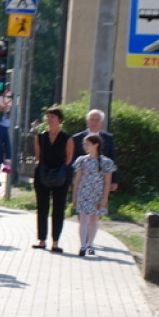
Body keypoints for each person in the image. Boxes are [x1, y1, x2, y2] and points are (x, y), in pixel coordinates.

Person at [32, 107, 74, 253]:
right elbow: (38, 156)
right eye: (48, 117)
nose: (49, 119)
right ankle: (41, 240)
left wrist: (58, 171)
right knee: (42, 207)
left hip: (61, 175)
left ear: (59, 119)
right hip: (42, 174)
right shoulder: (40, 137)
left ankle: (55, 242)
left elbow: (69, 158)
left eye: (53, 117)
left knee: (58, 208)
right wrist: (46, 170)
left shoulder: (67, 138)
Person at [72, 134, 116, 257]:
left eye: (87, 144)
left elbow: (107, 181)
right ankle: (82, 245)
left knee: (93, 219)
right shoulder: (81, 160)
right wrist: (74, 197)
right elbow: (77, 179)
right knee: (84, 219)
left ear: (96, 145)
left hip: (97, 193)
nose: (84, 146)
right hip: (83, 193)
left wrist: (104, 198)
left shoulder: (106, 162)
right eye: (84, 144)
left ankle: (91, 244)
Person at [71, 109, 119, 192]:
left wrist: (114, 181)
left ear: (102, 122)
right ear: (87, 121)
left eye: (97, 120)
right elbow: (72, 160)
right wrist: (70, 180)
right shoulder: (77, 138)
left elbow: (112, 158)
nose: (94, 122)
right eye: (92, 119)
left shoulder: (108, 138)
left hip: (101, 181)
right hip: (82, 181)